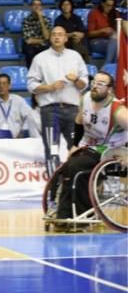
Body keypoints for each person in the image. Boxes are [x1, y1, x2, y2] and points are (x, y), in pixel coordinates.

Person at [52, 71, 127, 230]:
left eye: (100, 84)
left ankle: (81, 215)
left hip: (111, 150)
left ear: (110, 90)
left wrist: (125, 153)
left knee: (78, 166)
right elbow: (79, 121)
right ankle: (64, 215)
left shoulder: (117, 110)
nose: (95, 86)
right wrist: (74, 145)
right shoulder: (85, 99)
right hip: (90, 146)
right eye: (94, 82)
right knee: (68, 166)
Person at [27, 26, 89, 158]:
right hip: (50, 110)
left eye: (60, 34)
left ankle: (73, 178)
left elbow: (84, 84)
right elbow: (31, 85)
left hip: (73, 109)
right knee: (52, 150)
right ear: (50, 38)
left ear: (66, 38)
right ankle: (53, 178)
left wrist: (76, 79)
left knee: (76, 149)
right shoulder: (40, 58)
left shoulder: (75, 56)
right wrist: (50, 87)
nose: (57, 37)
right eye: (54, 34)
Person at [0, 73, 34, 138]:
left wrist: (23, 131)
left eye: (4, 83)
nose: (1, 86)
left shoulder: (18, 100)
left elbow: (29, 116)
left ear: (9, 86)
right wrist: (4, 137)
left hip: (19, 139)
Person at [87, 0, 120, 65]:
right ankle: (108, 67)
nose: (110, 8)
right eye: (108, 5)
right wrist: (102, 31)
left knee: (116, 43)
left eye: (112, 6)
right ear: (102, 3)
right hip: (96, 41)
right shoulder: (94, 13)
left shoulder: (115, 13)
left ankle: (107, 68)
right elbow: (90, 34)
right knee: (116, 45)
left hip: (112, 41)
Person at [21, 0, 53, 66]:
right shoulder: (26, 20)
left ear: (42, 7)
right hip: (30, 46)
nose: (37, 7)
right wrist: (42, 41)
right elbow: (28, 40)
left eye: (39, 5)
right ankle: (31, 73)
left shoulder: (47, 20)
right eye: (34, 5)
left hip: (43, 46)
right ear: (31, 7)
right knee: (30, 51)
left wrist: (41, 19)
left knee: (48, 50)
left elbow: (47, 37)